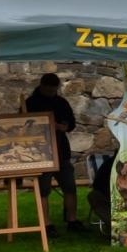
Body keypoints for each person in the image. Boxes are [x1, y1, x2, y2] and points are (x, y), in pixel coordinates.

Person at [24, 72, 83, 231]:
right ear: (42, 86)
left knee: (69, 186)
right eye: (49, 90)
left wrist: (62, 126)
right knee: (43, 189)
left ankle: (72, 220)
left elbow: (70, 124)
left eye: (54, 90)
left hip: (61, 150)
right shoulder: (30, 103)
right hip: (40, 152)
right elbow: (23, 126)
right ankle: (46, 224)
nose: (52, 93)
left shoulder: (61, 102)